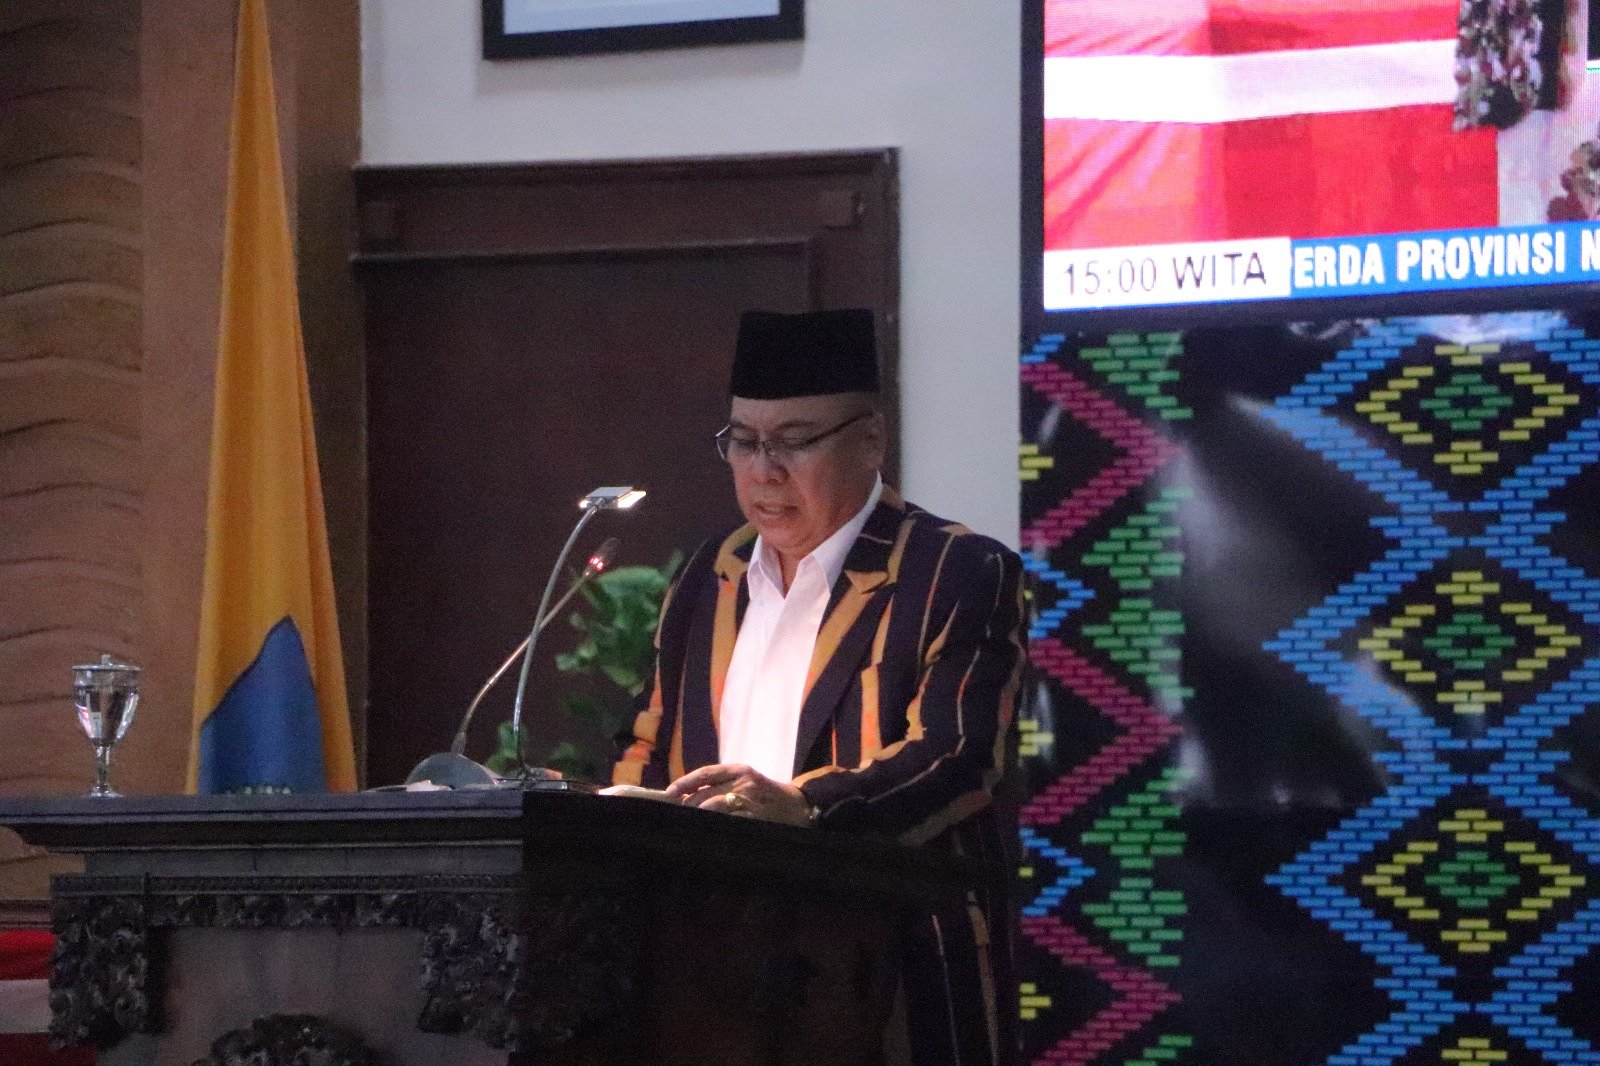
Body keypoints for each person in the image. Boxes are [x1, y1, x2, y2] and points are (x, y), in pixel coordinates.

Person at [613, 308, 1026, 1066]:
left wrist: (803, 807)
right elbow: (651, 739)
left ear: (871, 440)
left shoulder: (954, 570)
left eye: (795, 441)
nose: (763, 471)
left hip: (889, 968)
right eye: (744, 441)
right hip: (710, 970)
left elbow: (957, 758)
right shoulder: (708, 574)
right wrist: (618, 815)